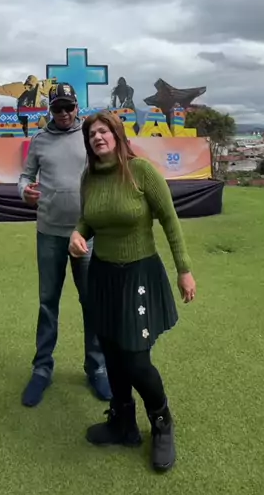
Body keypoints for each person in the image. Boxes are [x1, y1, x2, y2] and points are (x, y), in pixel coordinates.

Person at [69, 111, 196, 472]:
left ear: (117, 135)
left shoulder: (141, 172)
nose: (97, 137)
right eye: (91, 133)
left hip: (139, 273)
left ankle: (162, 423)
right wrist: (77, 234)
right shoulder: (89, 177)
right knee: (111, 352)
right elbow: (88, 219)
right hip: (103, 275)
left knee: (136, 359)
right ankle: (123, 423)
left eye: (103, 130)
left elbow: (169, 220)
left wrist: (184, 270)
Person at [18, 83, 111, 407]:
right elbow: (24, 176)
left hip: (86, 234)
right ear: (51, 110)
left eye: (68, 107)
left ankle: (97, 368)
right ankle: (42, 369)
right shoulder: (39, 140)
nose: (63, 113)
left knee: (92, 303)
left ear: (76, 107)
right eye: (57, 108)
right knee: (48, 303)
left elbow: (107, 172)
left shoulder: (89, 137)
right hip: (49, 233)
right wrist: (24, 191)